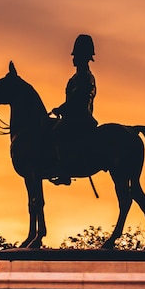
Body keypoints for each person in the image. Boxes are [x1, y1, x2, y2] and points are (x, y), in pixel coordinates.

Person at [49, 34, 98, 185]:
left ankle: (64, 173)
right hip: (75, 117)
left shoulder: (84, 77)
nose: (73, 58)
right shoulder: (79, 76)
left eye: (76, 55)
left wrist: (60, 109)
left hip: (80, 117)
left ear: (83, 57)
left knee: (56, 132)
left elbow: (77, 99)